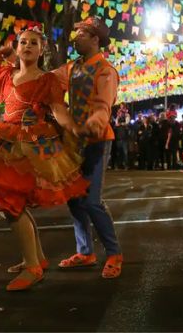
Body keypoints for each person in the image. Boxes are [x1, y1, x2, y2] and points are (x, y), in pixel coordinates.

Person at [0, 27, 87, 291]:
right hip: (2, 137)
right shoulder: (7, 76)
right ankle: (35, 258)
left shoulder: (47, 80)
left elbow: (59, 111)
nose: (27, 46)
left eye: (33, 43)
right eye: (23, 42)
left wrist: (76, 129)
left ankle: (33, 267)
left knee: (11, 203)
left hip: (31, 145)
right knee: (8, 204)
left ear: (41, 50)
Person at [52, 16, 124, 279]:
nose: (76, 37)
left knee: (92, 201)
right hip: (74, 141)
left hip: (97, 139)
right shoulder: (73, 67)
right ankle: (85, 252)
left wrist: (94, 122)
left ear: (96, 39)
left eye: (82, 33)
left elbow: (104, 106)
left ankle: (114, 254)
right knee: (74, 199)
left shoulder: (105, 70)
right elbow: (49, 82)